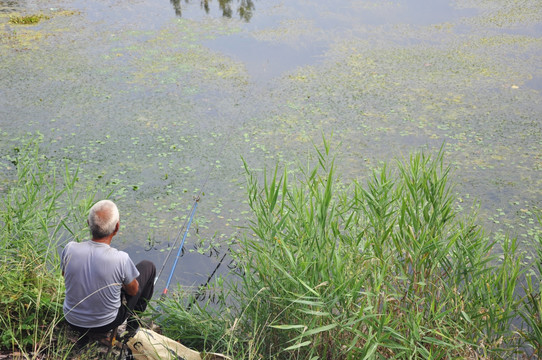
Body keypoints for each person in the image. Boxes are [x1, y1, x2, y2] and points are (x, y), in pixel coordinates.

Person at [61, 199, 156, 335]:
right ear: (117, 227)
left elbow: (66, 275)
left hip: (72, 319)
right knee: (148, 267)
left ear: (88, 223)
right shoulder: (121, 259)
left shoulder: (69, 248)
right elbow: (133, 291)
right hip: (106, 324)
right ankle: (132, 327)